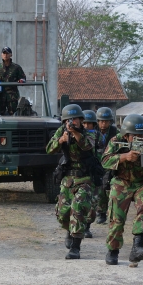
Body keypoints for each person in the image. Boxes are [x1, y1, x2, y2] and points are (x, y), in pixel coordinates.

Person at [101, 113, 143, 265]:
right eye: (135, 136)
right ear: (126, 135)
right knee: (116, 217)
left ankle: (137, 247)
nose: (139, 138)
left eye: (141, 135)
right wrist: (125, 157)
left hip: (142, 182)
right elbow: (104, 161)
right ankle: (113, 250)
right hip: (121, 182)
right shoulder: (116, 142)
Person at [46, 104, 95, 260]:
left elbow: (88, 146)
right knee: (62, 213)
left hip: (84, 178)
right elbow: (49, 149)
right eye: (69, 120)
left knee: (78, 209)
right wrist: (60, 140)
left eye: (75, 119)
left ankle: (75, 247)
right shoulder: (62, 132)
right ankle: (69, 230)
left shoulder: (89, 134)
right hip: (67, 178)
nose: (72, 122)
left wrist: (76, 134)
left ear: (81, 120)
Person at [95, 107, 119, 225]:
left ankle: (109, 213)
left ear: (110, 121)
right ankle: (100, 212)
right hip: (96, 164)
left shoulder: (116, 132)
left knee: (108, 188)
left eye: (106, 121)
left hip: (110, 165)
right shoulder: (92, 131)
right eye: (101, 121)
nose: (103, 124)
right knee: (98, 189)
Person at [0, 46, 26, 115]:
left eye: (7, 53)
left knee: (14, 114)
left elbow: (23, 78)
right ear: (1, 55)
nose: (5, 55)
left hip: (12, 95)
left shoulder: (16, 67)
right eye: (4, 53)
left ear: (11, 55)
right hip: (0, 94)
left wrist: (21, 81)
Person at [81, 110, 99, 238]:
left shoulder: (98, 137)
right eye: (84, 123)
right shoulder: (77, 136)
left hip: (94, 173)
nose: (87, 126)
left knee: (93, 203)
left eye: (89, 124)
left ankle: (87, 226)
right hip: (81, 174)